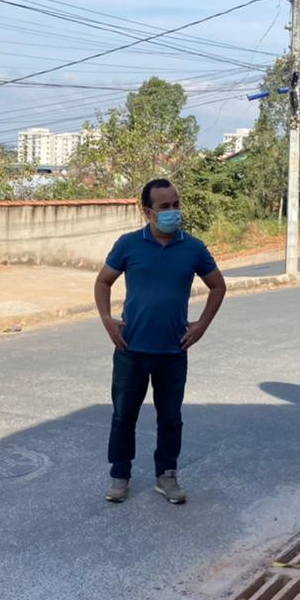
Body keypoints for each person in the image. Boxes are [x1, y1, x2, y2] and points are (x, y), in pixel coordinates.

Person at [94, 178, 226, 505]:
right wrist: (108, 321)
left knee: (170, 417)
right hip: (131, 350)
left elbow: (218, 287)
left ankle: (166, 476)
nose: (172, 212)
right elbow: (103, 282)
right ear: (147, 211)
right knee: (124, 415)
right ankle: (120, 475)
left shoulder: (193, 248)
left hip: (172, 351)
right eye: (164, 207)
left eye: (176, 205)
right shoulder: (128, 244)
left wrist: (201, 326)